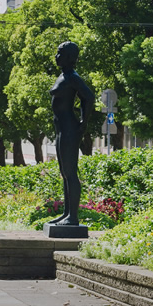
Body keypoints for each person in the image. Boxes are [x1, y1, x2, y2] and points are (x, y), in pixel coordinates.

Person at [48, 41, 95, 227]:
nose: (56, 56)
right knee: (65, 173)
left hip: (69, 128)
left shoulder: (73, 77)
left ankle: (73, 217)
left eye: (60, 53)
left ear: (69, 57)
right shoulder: (64, 76)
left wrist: (84, 121)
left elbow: (88, 97)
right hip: (61, 129)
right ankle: (67, 214)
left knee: (70, 172)